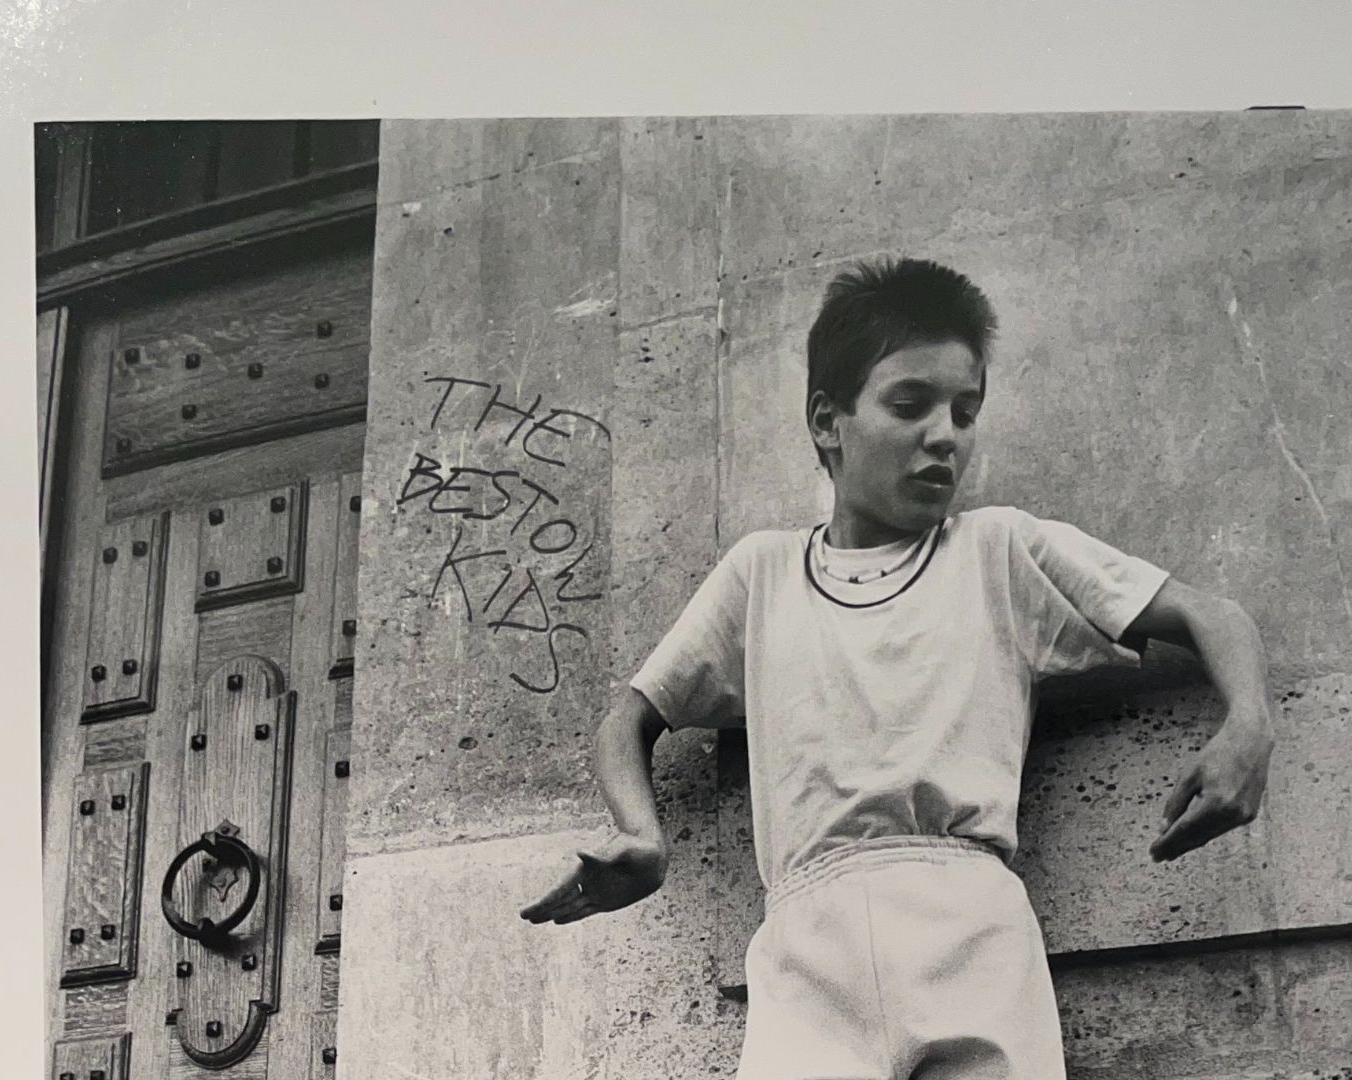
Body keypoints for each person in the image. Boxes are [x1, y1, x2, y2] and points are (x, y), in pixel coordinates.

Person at [519, 257, 1277, 1080]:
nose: (945, 435)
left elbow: (1212, 615)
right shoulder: (761, 574)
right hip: (810, 943)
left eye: (966, 410)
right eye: (911, 405)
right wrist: (643, 837)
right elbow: (629, 718)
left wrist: (1249, 725)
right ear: (827, 421)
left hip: (969, 930)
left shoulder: (999, 550)